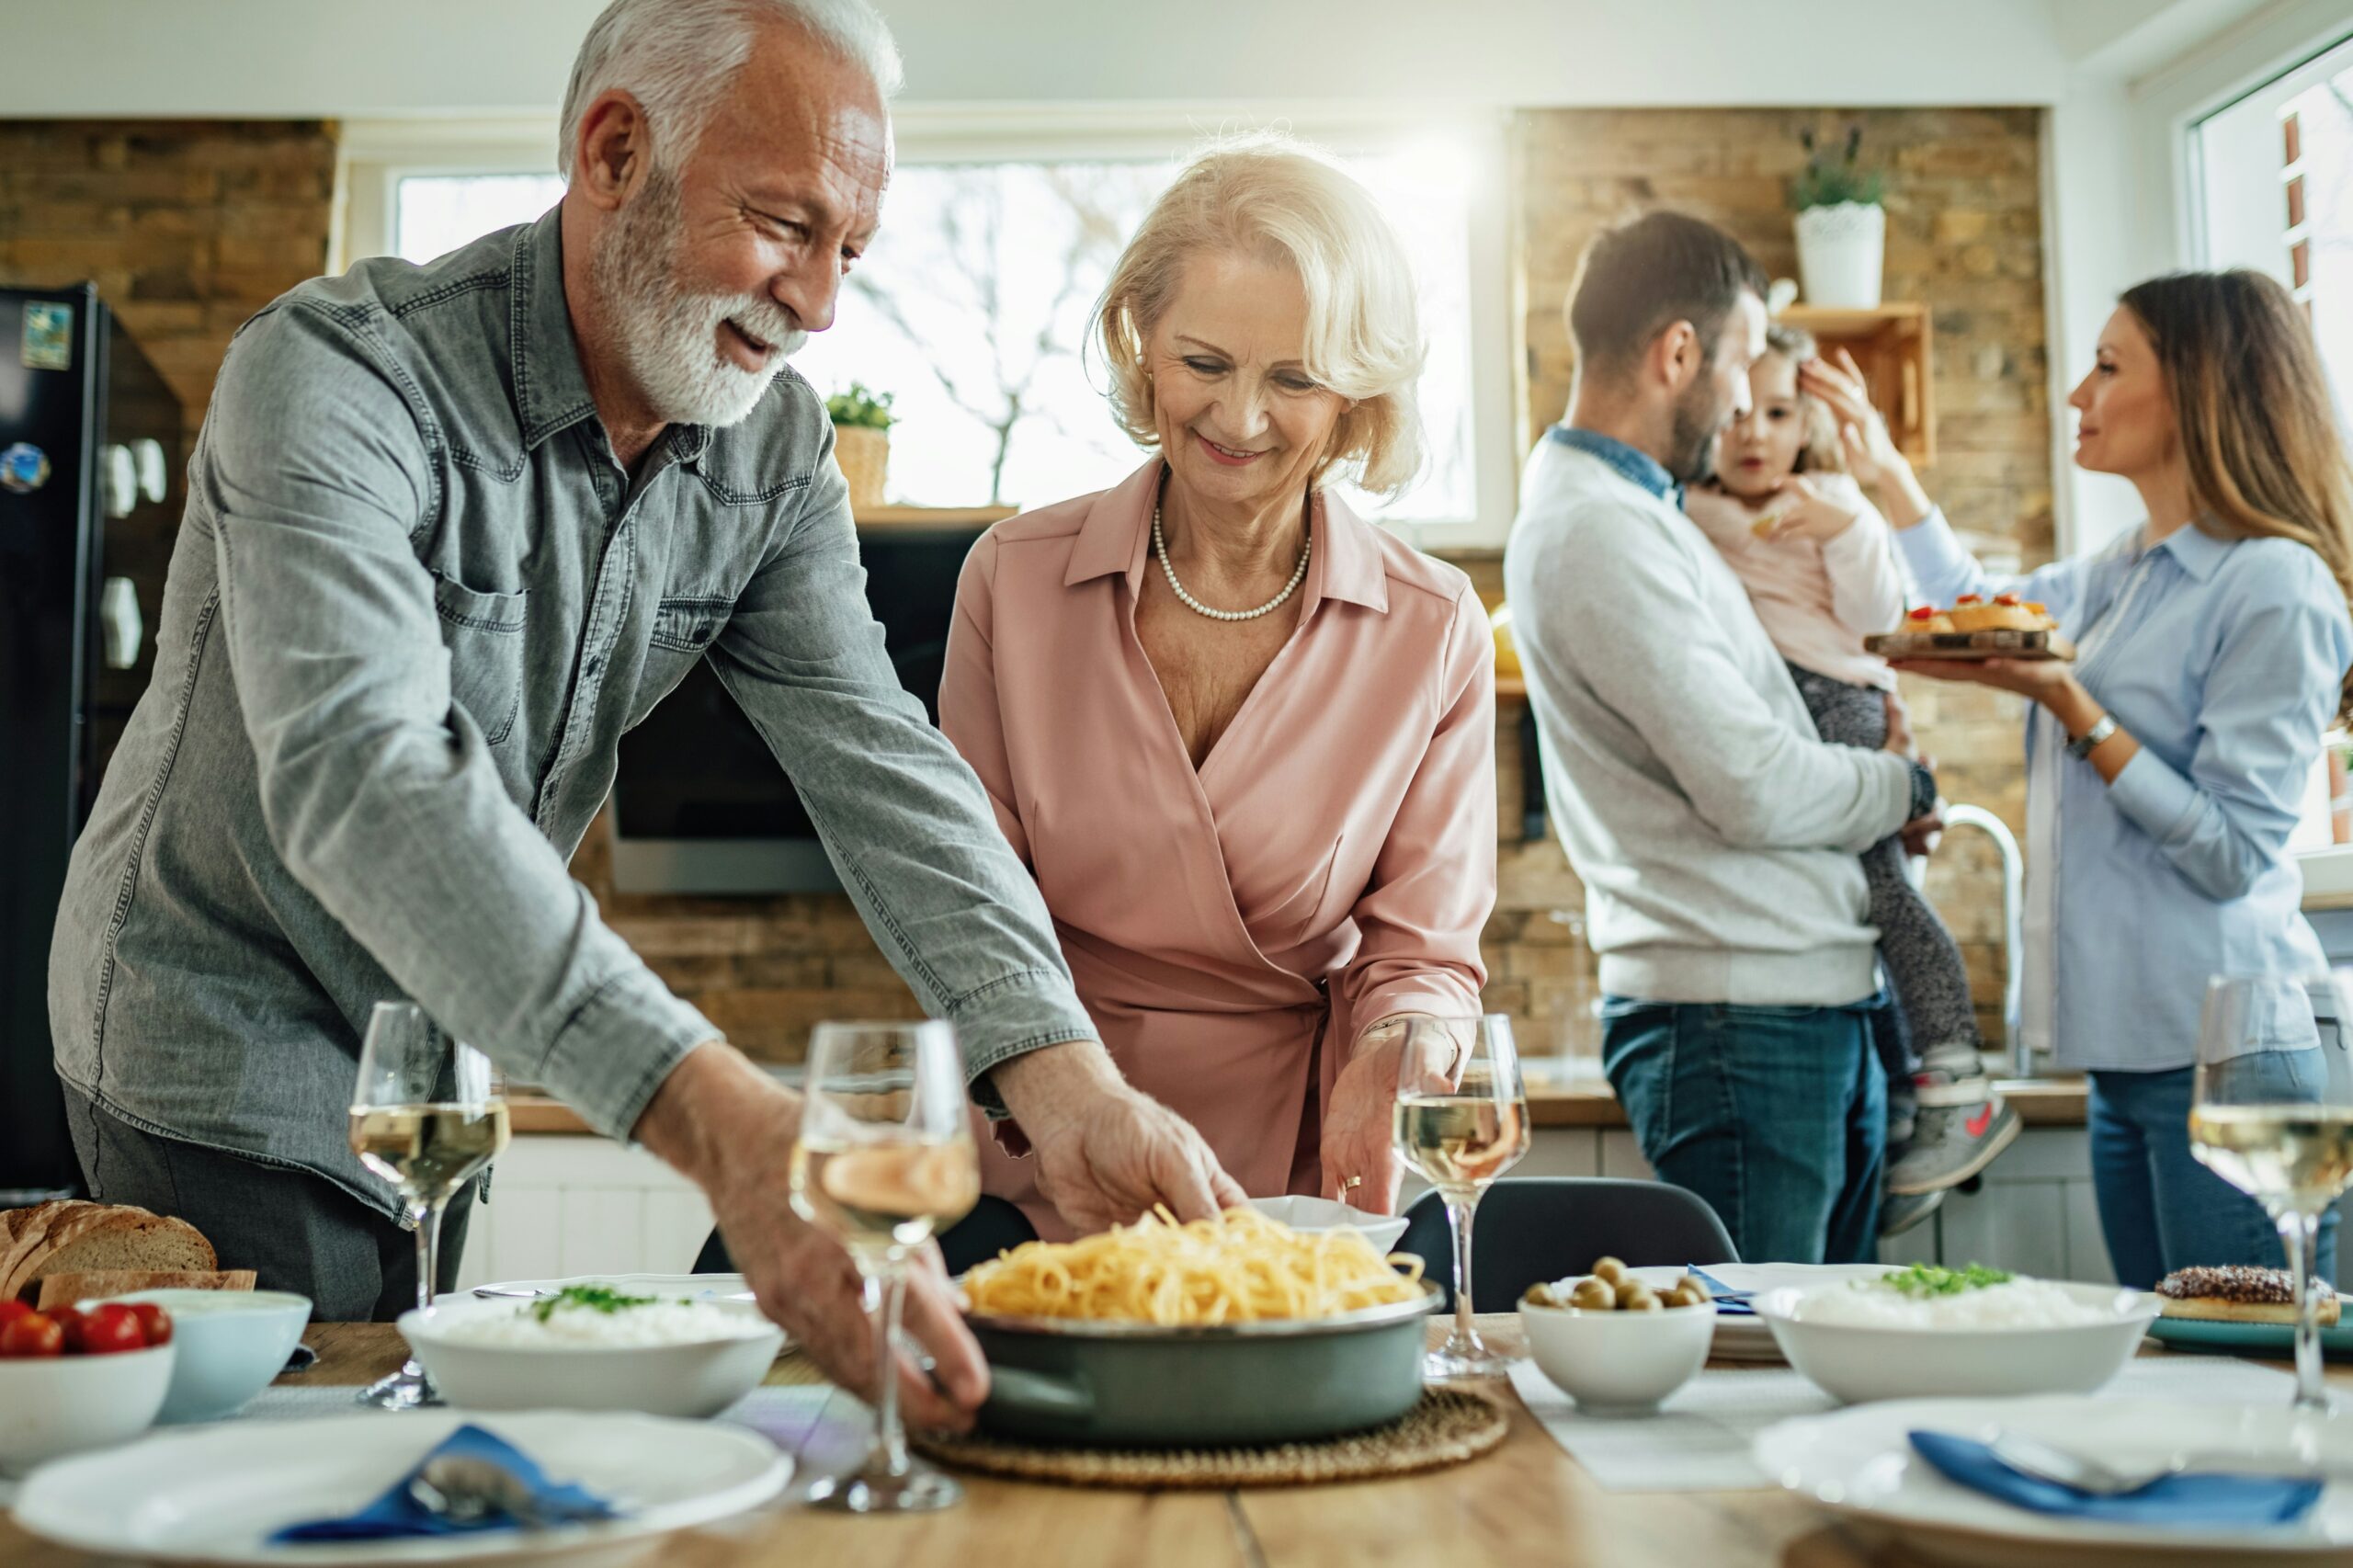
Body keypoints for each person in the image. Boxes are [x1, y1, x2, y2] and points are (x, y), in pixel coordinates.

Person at [44, 0, 1245, 1424]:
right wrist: (728, 1126)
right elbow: (369, 780)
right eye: (785, 225)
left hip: (437, 1059)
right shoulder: (339, 376)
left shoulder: (773, 454)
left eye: (851, 252)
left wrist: (1064, 1076)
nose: (820, 305)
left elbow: (885, 766)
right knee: (287, 1459)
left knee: (402, 1437)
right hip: (221, 1044)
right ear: (614, 152)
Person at [936, 142, 1496, 1239]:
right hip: (1038, 1142)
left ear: (1354, 395)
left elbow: (1422, 952)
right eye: (1204, 362)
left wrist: (1403, 1049)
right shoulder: (1011, 579)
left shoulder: (1432, 626)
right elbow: (967, 902)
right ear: (1140, 344)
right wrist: (1064, 1101)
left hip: (1293, 1175)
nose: (1239, 419)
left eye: (1292, 379)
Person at [1807, 269, 2353, 1289]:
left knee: (2242, 1362)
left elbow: (2234, 855)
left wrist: (2073, 706)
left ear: (2194, 391)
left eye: (2107, 367)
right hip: (2128, 1056)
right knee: (2165, 1356)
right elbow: (1978, 606)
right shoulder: (2125, 570)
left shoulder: (2276, 586)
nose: (2077, 394)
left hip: (2228, 1058)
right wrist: (1884, 470)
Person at [1503, 210, 1940, 1264]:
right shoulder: (1597, 527)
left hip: (1790, 1009)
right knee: (1756, 1357)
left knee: (1819, 1347)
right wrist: (1903, 786)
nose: (1747, 399)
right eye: (1740, 362)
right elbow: (1753, 781)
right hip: (1738, 1023)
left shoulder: (1643, 513)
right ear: (1677, 354)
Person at [1683, 323, 2018, 1235]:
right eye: (1739, 412)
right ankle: (1912, 1090)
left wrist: (1851, 527)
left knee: (1881, 885)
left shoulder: (1829, 500)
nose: (1755, 433)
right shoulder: (1693, 505)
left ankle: (1958, 1078)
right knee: (1859, 899)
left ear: (1809, 427)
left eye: (1779, 413)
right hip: (1786, 702)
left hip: (1837, 700)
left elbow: (1879, 620)